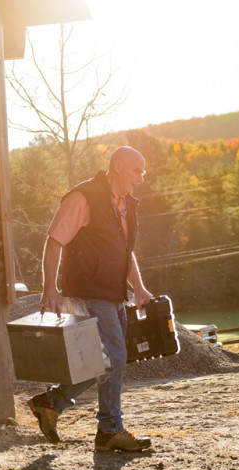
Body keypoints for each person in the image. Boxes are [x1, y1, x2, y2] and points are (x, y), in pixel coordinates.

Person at [27, 146, 154, 452]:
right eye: (137, 171)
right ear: (119, 166)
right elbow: (55, 240)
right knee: (114, 357)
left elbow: (125, 252)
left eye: (144, 173)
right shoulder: (83, 197)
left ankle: (52, 403)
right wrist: (50, 288)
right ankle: (109, 430)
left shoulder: (126, 205)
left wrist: (138, 287)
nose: (141, 178)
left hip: (113, 294)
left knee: (105, 360)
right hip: (87, 292)